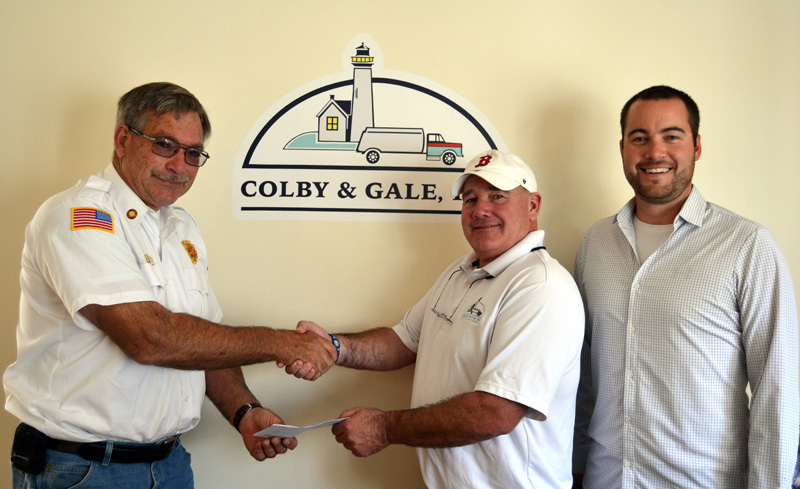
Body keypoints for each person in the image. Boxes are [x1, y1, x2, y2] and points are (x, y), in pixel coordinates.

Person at [3, 82, 337, 489]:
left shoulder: (180, 228)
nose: (180, 165)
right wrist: (281, 343)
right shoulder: (79, 217)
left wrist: (245, 412)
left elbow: (203, 340)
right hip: (82, 469)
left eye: (193, 153)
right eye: (164, 145)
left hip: (169, 464)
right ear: (123, 139)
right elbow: (150, 338)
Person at [286, 150, 585, 488]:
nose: (480, 209)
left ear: (533, 205)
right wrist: (333, 347)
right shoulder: (459, 273)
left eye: (497, 196)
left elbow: (496, 412)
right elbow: (403, 341)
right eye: (470, 199)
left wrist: (384, 428)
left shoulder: (540, 287)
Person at [572, 85, 799, 488]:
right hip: (604, 479)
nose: (654, 152)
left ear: (696, 147)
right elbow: (584, 373)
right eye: (639, 138)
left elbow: (777, 388)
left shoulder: (747, 245)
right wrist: (574, 467)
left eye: (671, 136)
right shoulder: (595, 243)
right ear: (622, 148)